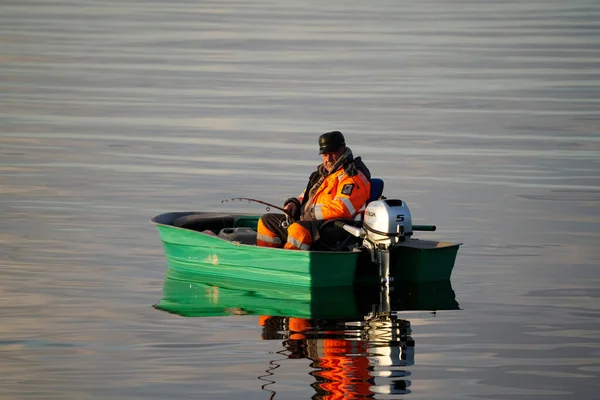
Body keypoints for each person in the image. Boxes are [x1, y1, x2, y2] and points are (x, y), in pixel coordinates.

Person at [257, 131, 371, 250]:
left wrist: (310, 214)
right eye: (324, 155)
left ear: (342, 149)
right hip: (312, 223)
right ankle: (268, 260)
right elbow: (306, 197)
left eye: (332, 153)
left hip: (337, 229)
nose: (328, 159)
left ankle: (290, 265)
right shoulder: (321, 174)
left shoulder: (353, 175)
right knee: (266, 222)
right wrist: (294, 204)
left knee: (298, 230)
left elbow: (343, 209)